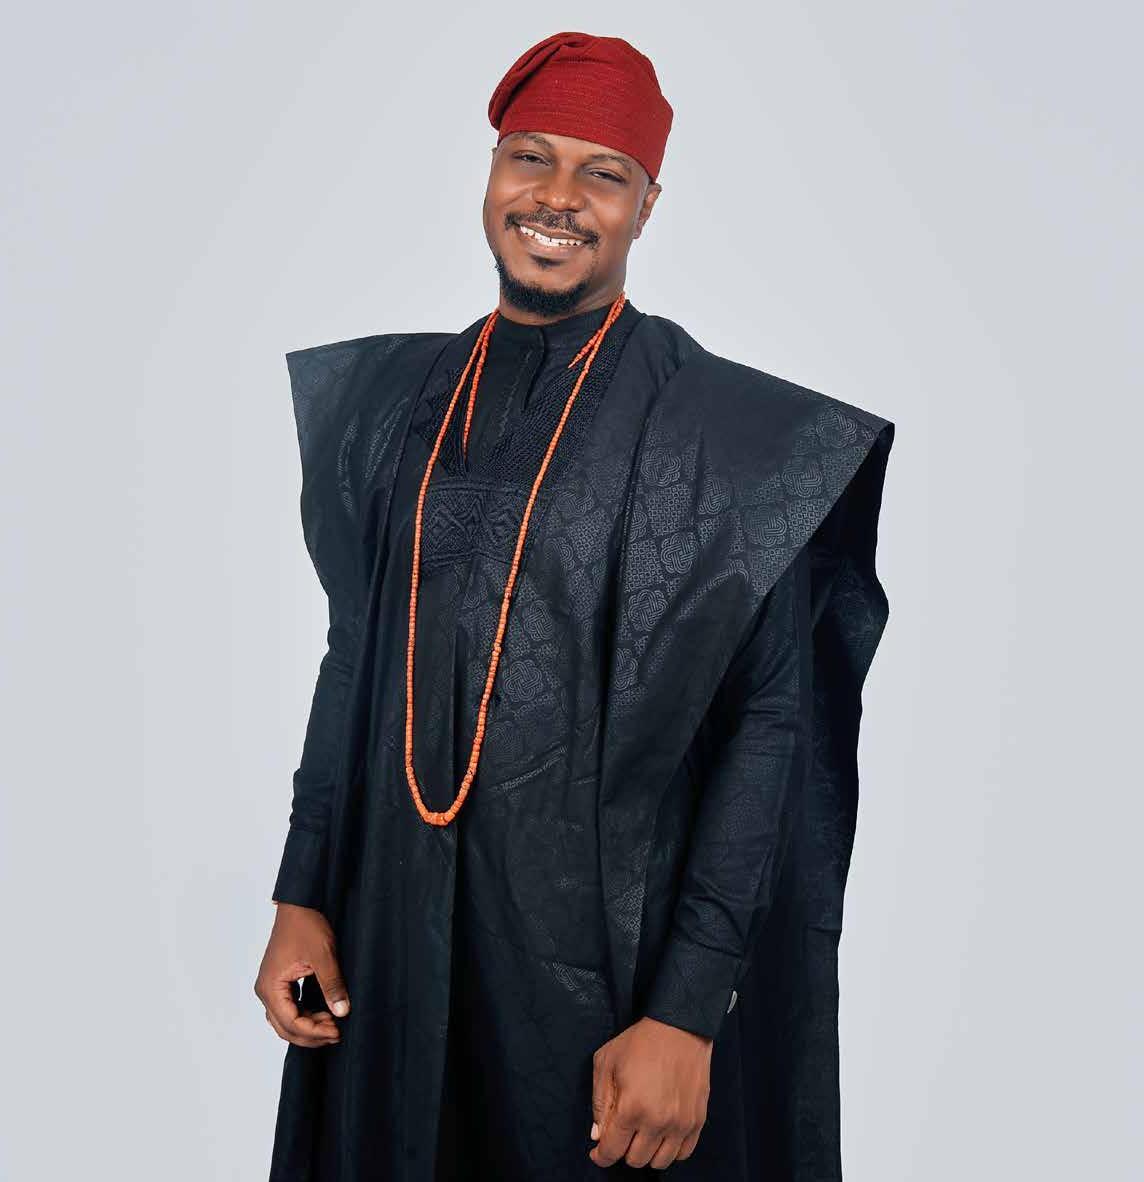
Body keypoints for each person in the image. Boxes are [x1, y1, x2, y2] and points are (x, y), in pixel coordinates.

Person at [254, 29, 895, 1182]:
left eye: (602, 173)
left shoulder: (728, 441)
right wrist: (302, 893)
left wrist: (689, 1009)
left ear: (647, 205)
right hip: (392, 941)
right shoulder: (393, 408)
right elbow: (357, 653)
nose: (556, 197)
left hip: (606, 973)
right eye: (529, 158)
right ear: (491, 173)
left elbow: (771, 729)